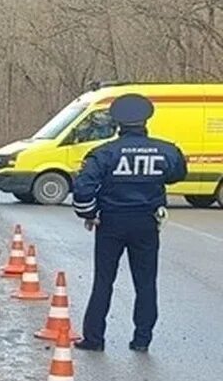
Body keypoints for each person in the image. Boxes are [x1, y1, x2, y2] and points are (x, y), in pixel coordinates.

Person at [71, 93, 187, 352]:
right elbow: (177, 175)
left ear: (117, 124)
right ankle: (142, 340)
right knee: (146, 282)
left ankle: (94, 339)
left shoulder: (103, 153)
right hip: (147, 223)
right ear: (146, 120)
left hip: (111, 223)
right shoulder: (167, 150)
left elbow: (83, 188)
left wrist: (89, 214)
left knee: (103, 281)